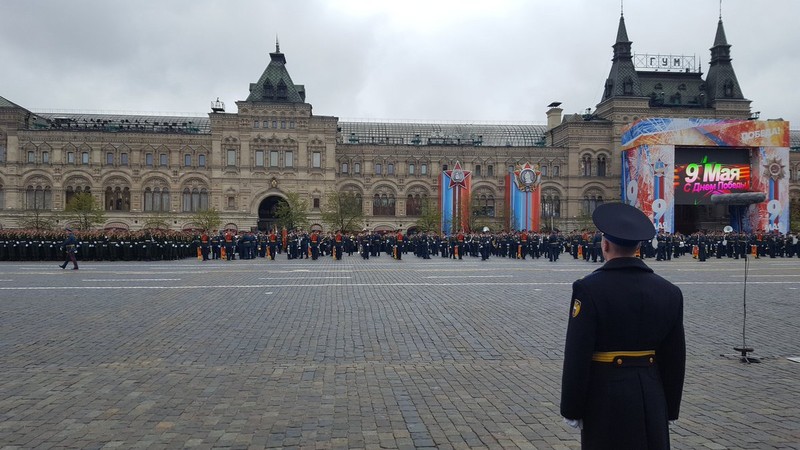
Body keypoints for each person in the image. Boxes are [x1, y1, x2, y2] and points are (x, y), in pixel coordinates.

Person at [560, 202, 685, 450]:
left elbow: (577, 353)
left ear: (604, 245)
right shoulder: (670, 292)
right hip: (652, 394)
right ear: (638, 246)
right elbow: (675, 358)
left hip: (605, 396)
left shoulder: (589, 288)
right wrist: (669, 408)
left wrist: (571, 407)